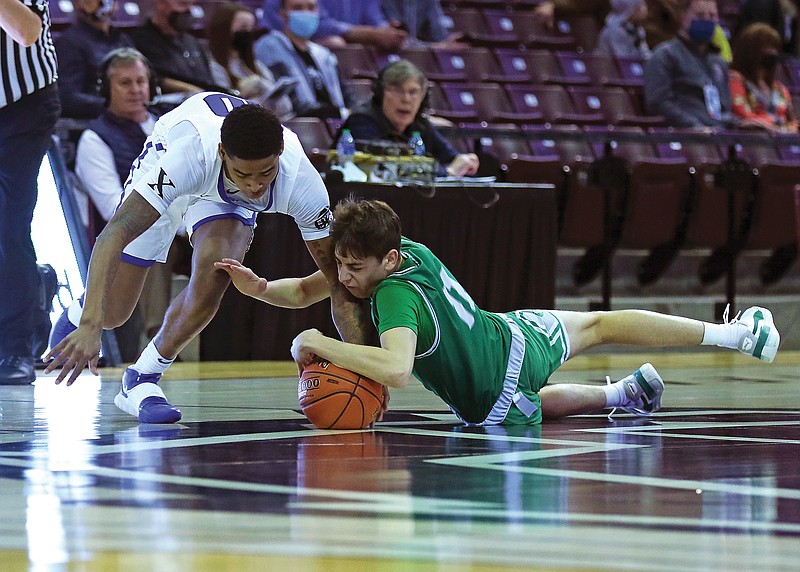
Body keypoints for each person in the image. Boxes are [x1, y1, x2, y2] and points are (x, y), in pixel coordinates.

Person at [218, 197, 781, 426]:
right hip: (510, 334)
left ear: (386, 259)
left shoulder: (391, 295)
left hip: (491, 390)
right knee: (600, 325)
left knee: (521, 404)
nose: (343, 278)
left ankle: (632, 390)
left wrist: (315, 341)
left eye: (353, 267)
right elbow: (304, 290)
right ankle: (732, 336)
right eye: (338, 264)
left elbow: (396, 373)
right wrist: (259, 287)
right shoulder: (402, 251)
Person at [46, 94, 369, 424]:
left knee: (216, 274)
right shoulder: (187, 159)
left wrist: (365, 368)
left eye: (265, 173)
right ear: (223, 153)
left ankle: (142, 378)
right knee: (113, 313)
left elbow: (338, 283)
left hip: (221, 195)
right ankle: (78, 312)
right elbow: (112, 235)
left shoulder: (302, 183)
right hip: (173, 160)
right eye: (245, 175)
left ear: (280, 154)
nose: (256, 186)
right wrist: (90, 323)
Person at [73, 48, 169, 361]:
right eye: (125, 83)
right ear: (106, 89)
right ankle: (158, 340)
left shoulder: (167, 127)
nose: (136, 89)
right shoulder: (95, 139)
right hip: (127, 236)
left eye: (141, 81)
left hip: (181, 225)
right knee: (154, 238)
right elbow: (114, 209)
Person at [0, 0, 61, 385]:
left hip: (23, 104)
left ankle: (15, 347)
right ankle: (38, 289)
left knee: (8, 225)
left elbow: (26, 31)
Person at [340, 59, 479, 177]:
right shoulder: (362, 122)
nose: (406, 99)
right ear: (380, 94)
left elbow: (453, 158)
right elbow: (387, 170)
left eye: (413, 92)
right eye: (398, 90)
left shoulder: (420, 125)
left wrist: (463, 161)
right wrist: (449, 171)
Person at [644, 0, 734, 129]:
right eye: (700, 15)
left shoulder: (719, 62)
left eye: (712, 16)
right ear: (682, 17)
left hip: (720, 133)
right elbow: (658, 103)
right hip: (687, 135)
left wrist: (740, 123)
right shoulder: (664, 55)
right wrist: (694, 126)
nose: (707, 21)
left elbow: (725, 108)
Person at [254, 0, 350, 119]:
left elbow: (347, 97)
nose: (306, 13)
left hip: (336, 125)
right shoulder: (269, 48)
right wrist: (340, 113)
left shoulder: (324, 54)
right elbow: (289, 100)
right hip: (301, 126)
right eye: (297, 8)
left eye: (311, 8)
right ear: (283, 14)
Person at [207, 2, 294, 121]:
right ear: (224, 28)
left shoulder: (256, 66)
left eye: (251, 28)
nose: (247, 32)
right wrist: (262, 102)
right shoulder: (214, 65)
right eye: (243, 27)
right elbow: (226, 110)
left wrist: (261, 84)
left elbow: (285, 106)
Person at [54, 0, 134, 119]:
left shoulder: (123, 40)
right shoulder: (69, 42)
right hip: (93, 125)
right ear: (76, 3)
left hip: (130, 120)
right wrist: (112, 105)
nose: (103, 3)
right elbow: (67, 97)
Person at [130, 0, 215, 94]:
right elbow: (158, 80)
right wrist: (195, 92)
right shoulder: (141, 41)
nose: (189, 10)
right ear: (160, 3)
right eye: (182, 4)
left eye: (192, 5)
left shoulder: (193, 42)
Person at [729, 22, 797, 133]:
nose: (772, 52)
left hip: (780, 144)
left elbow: (793, 124)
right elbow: (744, 117)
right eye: (766, 47)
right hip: (751, 143)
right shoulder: (735, 80)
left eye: (774, 48)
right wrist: (776, 126)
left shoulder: (780, 89)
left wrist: (773, 127)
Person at [260, 0, 407, 51]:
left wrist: (388, 31)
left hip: (328, 53)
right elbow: (318, 25)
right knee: (335, 42)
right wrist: (371, 35)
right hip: (285, 49)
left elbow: (375, 20)